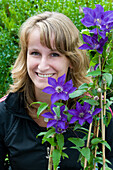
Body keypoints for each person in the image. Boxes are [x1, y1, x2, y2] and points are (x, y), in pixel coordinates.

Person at [0, 11, 112, 170]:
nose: (42, 65)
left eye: (54, 54)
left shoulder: (97, 112)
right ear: (25, 57)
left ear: (72, 60)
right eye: (35, 53)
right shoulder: (6, 113)